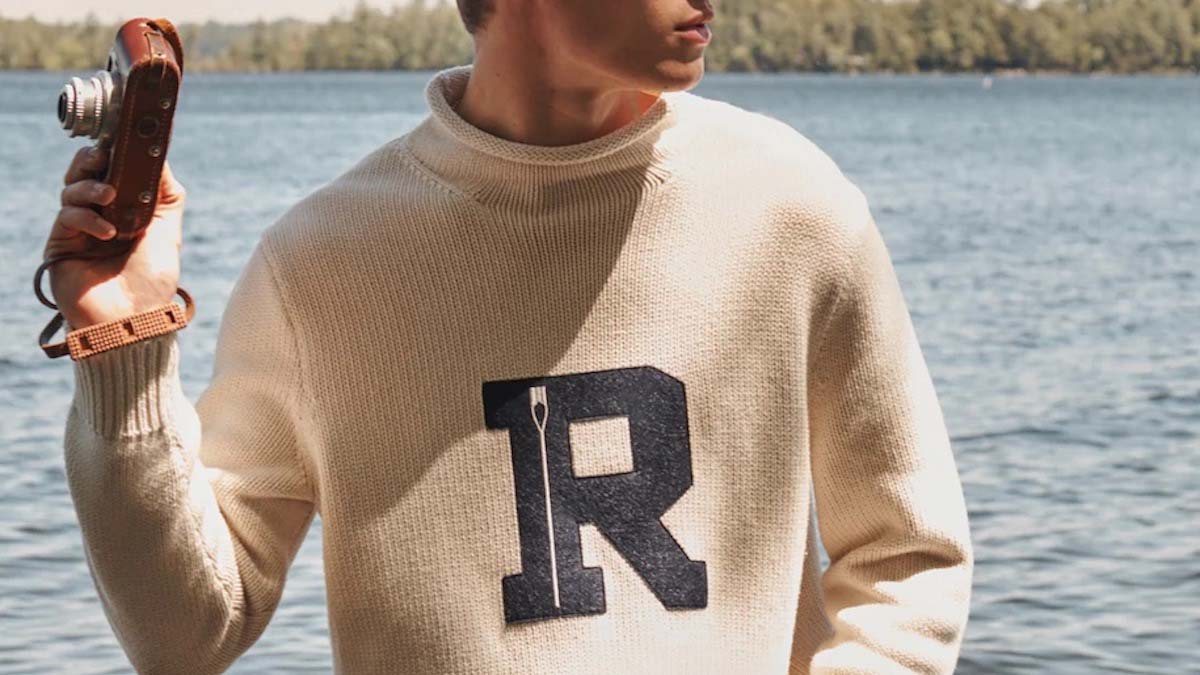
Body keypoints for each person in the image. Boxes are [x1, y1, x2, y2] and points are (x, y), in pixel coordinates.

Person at [47, 0, 974, 672]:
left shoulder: (794, 206)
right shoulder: (321, 264)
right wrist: (124, 347)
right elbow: (184, 635)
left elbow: (907, 556)